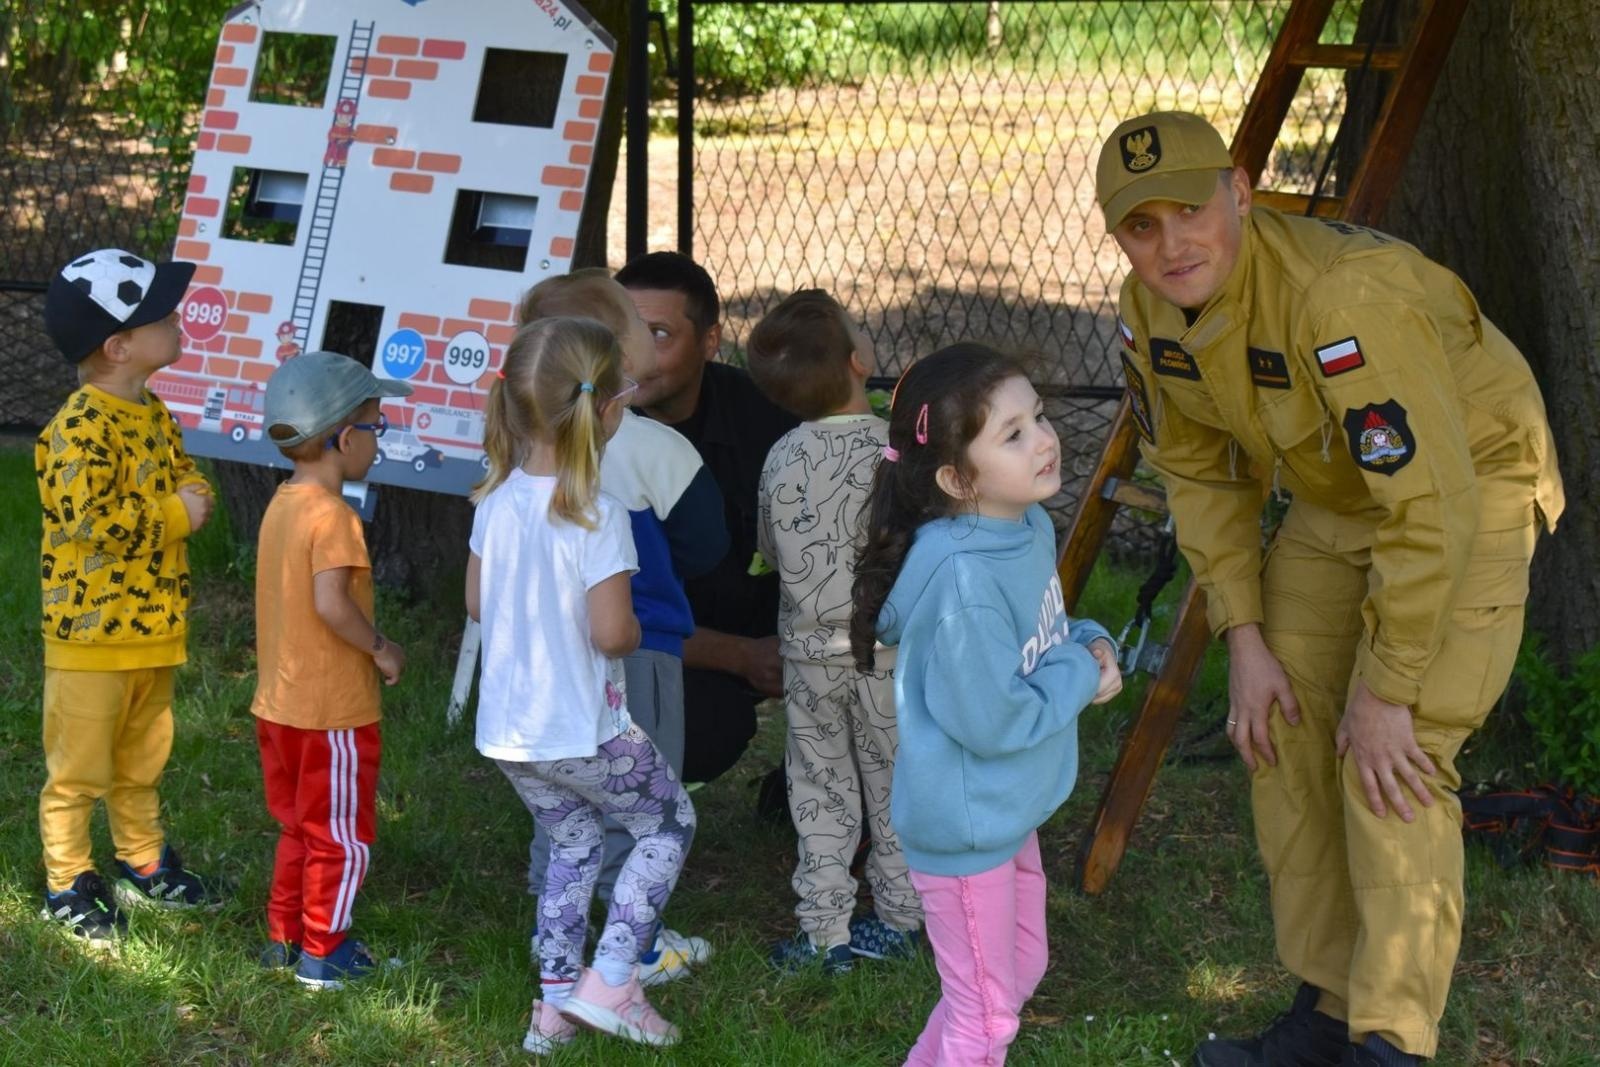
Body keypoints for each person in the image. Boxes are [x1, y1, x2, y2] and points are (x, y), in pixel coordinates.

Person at [1096, 111, 1565, 1067]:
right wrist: (1246, 635)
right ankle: (1326, 1008)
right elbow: (1197, 472)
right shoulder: (1149, 313)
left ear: (1241, 189)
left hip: (1465, 486)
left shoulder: (1343, 299)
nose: (1170, 244)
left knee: (1394, 757)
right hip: (1337, 495)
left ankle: (1391, 1043)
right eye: (1141, 226)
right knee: (1279, 726)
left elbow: (1431, 509)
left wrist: (1388, 688)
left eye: (1190, 210)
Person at [849, 343, 1123, 1065]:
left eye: (1039, 416)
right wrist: (1078, 673)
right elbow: (994, 718)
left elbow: (1043, 634)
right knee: (986, 1019)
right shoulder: (963, 582)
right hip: (966, 828)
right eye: (1013, 433)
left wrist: (1086, 643)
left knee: (1015, 975)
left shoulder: (1023, 526)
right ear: (956, 478)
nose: (1044, 439)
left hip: (1007, 812)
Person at [467, 316, 696, 1053]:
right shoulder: (598, 513)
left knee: (571, 841)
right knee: (667, 823)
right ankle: (615, 978)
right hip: (584, 728)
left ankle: (555, 1006)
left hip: (510, 734)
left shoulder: (494, 501)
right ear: (604, 410)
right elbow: (611, 633)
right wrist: (630, 631)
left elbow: (475, 602)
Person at [516, 269, 725, 985]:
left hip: (543, 654)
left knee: (562, 791)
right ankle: (633, 940)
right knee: (644, 795)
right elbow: (708, 545)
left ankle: (553, 906)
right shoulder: (654, 448)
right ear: (618, 353)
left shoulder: (517, 455)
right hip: (640, 643)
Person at [35, 248, 224, 949]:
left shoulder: (153, 412)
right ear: (118, 346)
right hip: (92, 637)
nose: (177, 319)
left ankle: (141, 856)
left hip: (153, 629)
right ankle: (68, 879)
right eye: (162, 315)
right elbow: (96, 522)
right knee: (80, 767)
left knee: (142, 757)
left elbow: (187, 479)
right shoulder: (76, 429)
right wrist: (177, 512)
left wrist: (187, 497)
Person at [746, 289, 923, 975]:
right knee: (891, 783)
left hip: (809, 661)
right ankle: (902, 918)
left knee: (819, 787)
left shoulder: (780, 456)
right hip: (887, 655)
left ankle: (824, 931)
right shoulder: (897, 452)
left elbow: (766, 545)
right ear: (858, 359)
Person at [252, 351, 412, 989]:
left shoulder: (282, 504)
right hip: (331, 714)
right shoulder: (336, 517)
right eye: (378, 426)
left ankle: (285, 938)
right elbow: (330, 604)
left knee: (298, 826)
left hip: (279, 707)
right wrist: (381, 647)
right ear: (346, 438)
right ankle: (326, 952)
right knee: (341, 834)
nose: (378, 440)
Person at [616, 252, 800, 784]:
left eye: (658, 333)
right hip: (646, 645)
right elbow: (604, 616)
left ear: (710, 341)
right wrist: (740, 657)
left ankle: (831, 798)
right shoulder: (593, 436)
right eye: (622, 331)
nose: (634, 356)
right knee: (706, 727)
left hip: (772, 618)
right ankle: (636, 799)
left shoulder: (767, 416)